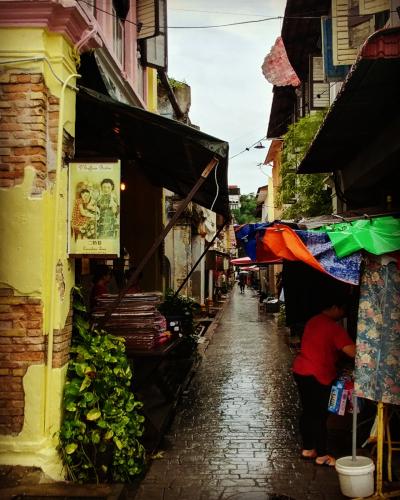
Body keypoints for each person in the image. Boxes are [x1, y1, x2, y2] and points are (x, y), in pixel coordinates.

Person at [292, 298, 356, 467]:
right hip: (318, 374)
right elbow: (352, 352)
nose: (343, 314)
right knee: (319, 414)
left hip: (301, 370)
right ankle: (322, 455)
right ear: (335, 307)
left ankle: (308, 449)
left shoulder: (313, 320)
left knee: (308, 411)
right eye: (342, 310)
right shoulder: (334, 327)